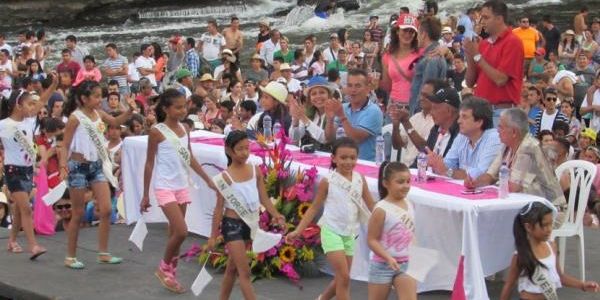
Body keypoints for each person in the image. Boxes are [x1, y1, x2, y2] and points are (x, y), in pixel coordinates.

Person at [141, 89, 216, 293]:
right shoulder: (157, 131)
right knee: (182, 231)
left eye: (184, 106)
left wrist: (207, 179)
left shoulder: (185, 128)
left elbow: (189, 157)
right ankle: (163, 267)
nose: (183, 110)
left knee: (175, 233)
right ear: (165, 108)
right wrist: (146, 194)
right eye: (178, 107)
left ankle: (171, 274)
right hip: (164, 186)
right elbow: (149, 163)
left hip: (181, 186)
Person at [59, 80, 136, 269]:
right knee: (77, 213)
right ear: (84, 98)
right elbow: (65, 145)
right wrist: (62, 166)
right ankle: (70, 256)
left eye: (100, 96)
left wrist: (130, 110)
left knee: (107, 209)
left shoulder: (99, 114)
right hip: (78, 167)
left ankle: (103, 252)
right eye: (96, 96)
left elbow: (116, 122)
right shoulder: (75, 118)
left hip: (96, 166)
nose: (99, 100)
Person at [286, 138, 375, 300]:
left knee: (343, 277)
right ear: (333, 158)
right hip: (331, 231)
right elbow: (314, 208)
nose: (348, 161)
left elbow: (371, 205)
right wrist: (298, 231)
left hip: (350, 233)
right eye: (343, 157)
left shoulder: (359, 179)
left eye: (352, 157)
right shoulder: (328, 181)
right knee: (344, 277)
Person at [208, 130, 285, 300]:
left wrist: (276, 214)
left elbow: (263, 198)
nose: (244, 152)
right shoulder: (224, 178)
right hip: (232, 226)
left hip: (249, 225)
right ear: (229, 150)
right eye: (239, 149)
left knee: (232, 269)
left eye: (247, 148)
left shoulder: (255, 170)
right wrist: (213, 237)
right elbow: (218, 209)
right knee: (245, 272)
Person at [465, 108, 567, 222]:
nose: (497, 130)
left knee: (490, 219)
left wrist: (492, 185)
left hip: (549, 210)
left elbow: (513, 187)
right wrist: (475, 182)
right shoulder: (507, 146)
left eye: (501, 127)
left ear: (514, 132)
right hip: (526, 205)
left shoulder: (529, 148)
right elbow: (490, 175)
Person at [0, 74, 57, 258]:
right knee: (26, 208)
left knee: (18, 209)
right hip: (12, 170)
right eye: (28, 104)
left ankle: (12, 240)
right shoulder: (3, 125)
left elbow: (42, 100)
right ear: (18, 105)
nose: (33, 108)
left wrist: (54, 85)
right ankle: (33, 246)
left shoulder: (29, 121)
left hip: (27, 170)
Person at [500, 202, 599, 300]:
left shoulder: (552, 246)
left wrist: (582, 285)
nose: (549, 229)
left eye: (551, 224)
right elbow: (509, 285)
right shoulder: (521, 255)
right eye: (544, 225)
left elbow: (560, 276)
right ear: (529, 227)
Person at [465, 0, 524, 125]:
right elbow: (470, 82)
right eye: (481, 18)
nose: (482, 22)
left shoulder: (513, 42)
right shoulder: (484, 44)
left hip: (501, 112)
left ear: (499, 19)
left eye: (486, 17)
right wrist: (470, 55)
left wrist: (476, 56)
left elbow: (501, 79)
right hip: (482, 112)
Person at [367, 161, 416, 300]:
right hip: (382, 265)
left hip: (406, 264)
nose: (406, 186)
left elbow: (410, 233)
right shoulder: (381, 209)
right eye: (400, 182)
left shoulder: (410, 204)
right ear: (386, 183)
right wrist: (388, 257)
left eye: (408, 181)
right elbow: (371, 240)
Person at [428, 97, 502, 180]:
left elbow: (480, 175)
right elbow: (448, 163)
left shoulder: (494, 138)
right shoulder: (462, 136)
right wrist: (436, 163)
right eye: (459, 116)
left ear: (479, 122)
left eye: (464, 117)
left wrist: (448, 171)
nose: (459, 121)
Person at [324, 69, 383, 161]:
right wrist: (330, 119)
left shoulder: (374, 111)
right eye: (349, 85)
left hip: (364, 165)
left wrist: (342, 117)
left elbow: (355, 139)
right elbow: (329, 138)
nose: (353, 90)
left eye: (358, 86)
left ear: (367, 89)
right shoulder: (343, 107)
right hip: (342, 163)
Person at [389, 79, 439, 166]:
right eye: (421, 94)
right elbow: (397, 146)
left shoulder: (437, 121)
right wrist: (396, 126)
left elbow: (425, 148)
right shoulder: (416, 117)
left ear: (437, 98)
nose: (421, 98)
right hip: (406, 167)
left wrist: (405, 122)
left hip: (422, 169)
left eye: (426, 96)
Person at [409, 16, 447, 115]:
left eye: (418, 33)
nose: (416, 37)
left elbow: (426, 92)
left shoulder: (431, 59)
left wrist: (417, 113)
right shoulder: (434, 55)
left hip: (422, 113)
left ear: (424, 34)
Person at [381, 13, 420, 105]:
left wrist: (445, 50)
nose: (408, 34)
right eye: (405, 30)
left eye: (411, 31)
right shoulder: (387, 56)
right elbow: (387, 86)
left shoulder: (421, 53)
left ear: (415, 34)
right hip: (394, 104)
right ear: (397, 31)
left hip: (414, 105)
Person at [289, 76, 333, 150]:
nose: (318, 96)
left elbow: (325, 139)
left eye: (322, 92)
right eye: (314, 94)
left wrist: (303, 118)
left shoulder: (335, 113)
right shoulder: (309, 113)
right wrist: (296, 119)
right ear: (309, 98)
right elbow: (295, 138)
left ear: (329, 95)